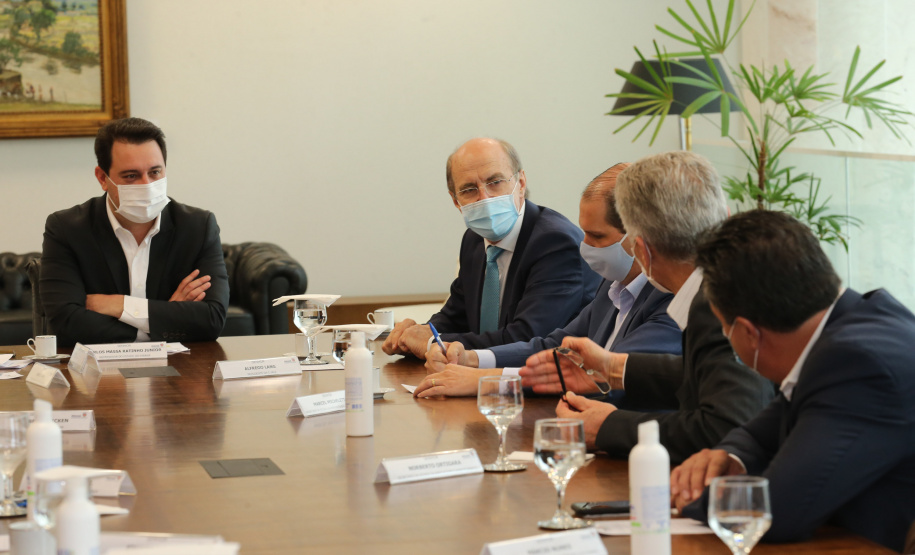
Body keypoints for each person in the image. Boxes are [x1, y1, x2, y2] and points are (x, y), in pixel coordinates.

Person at [672, 210, 915, 552]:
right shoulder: (851, 325)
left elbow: (775, 513)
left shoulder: (858, 364)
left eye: (723, 328)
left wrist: (696, 496)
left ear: (747, 332)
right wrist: (728, 457)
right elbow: (760, 433)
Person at [519, 151, 775, 465]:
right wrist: (614, 369)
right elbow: (707, 376)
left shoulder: (722, 302)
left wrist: (610, 427)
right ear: (724, 211)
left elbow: (726, 427)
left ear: (640, 248)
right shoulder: (725, 280)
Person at [415, 163, 681, 398]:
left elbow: (605, 376)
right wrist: (471, 358)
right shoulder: (614, 285)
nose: (584, 246)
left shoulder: (672, 299)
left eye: (597, 237)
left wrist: (486, 381)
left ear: (641, 238)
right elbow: (555, 346)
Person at [382, 137, 600, 359]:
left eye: (495, 182)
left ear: (521, 184)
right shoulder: (474, 239)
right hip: (480, 381)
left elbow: (525, 338)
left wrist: (429, 342)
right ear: (456, 201)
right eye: (469, 189)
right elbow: (456, 315)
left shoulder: (555, 243)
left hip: (554, 384)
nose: (484, 198)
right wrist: (414, 335)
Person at [40, 117, 229, 346]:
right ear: (102, 178)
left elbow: (212, 321)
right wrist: (165, 317)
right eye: (131, 176)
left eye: (155, 172)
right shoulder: (67, 229)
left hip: (180, 373)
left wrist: (120, 306)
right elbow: (66, 324)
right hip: (96, 375)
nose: (146, 185)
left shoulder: (198, 227)